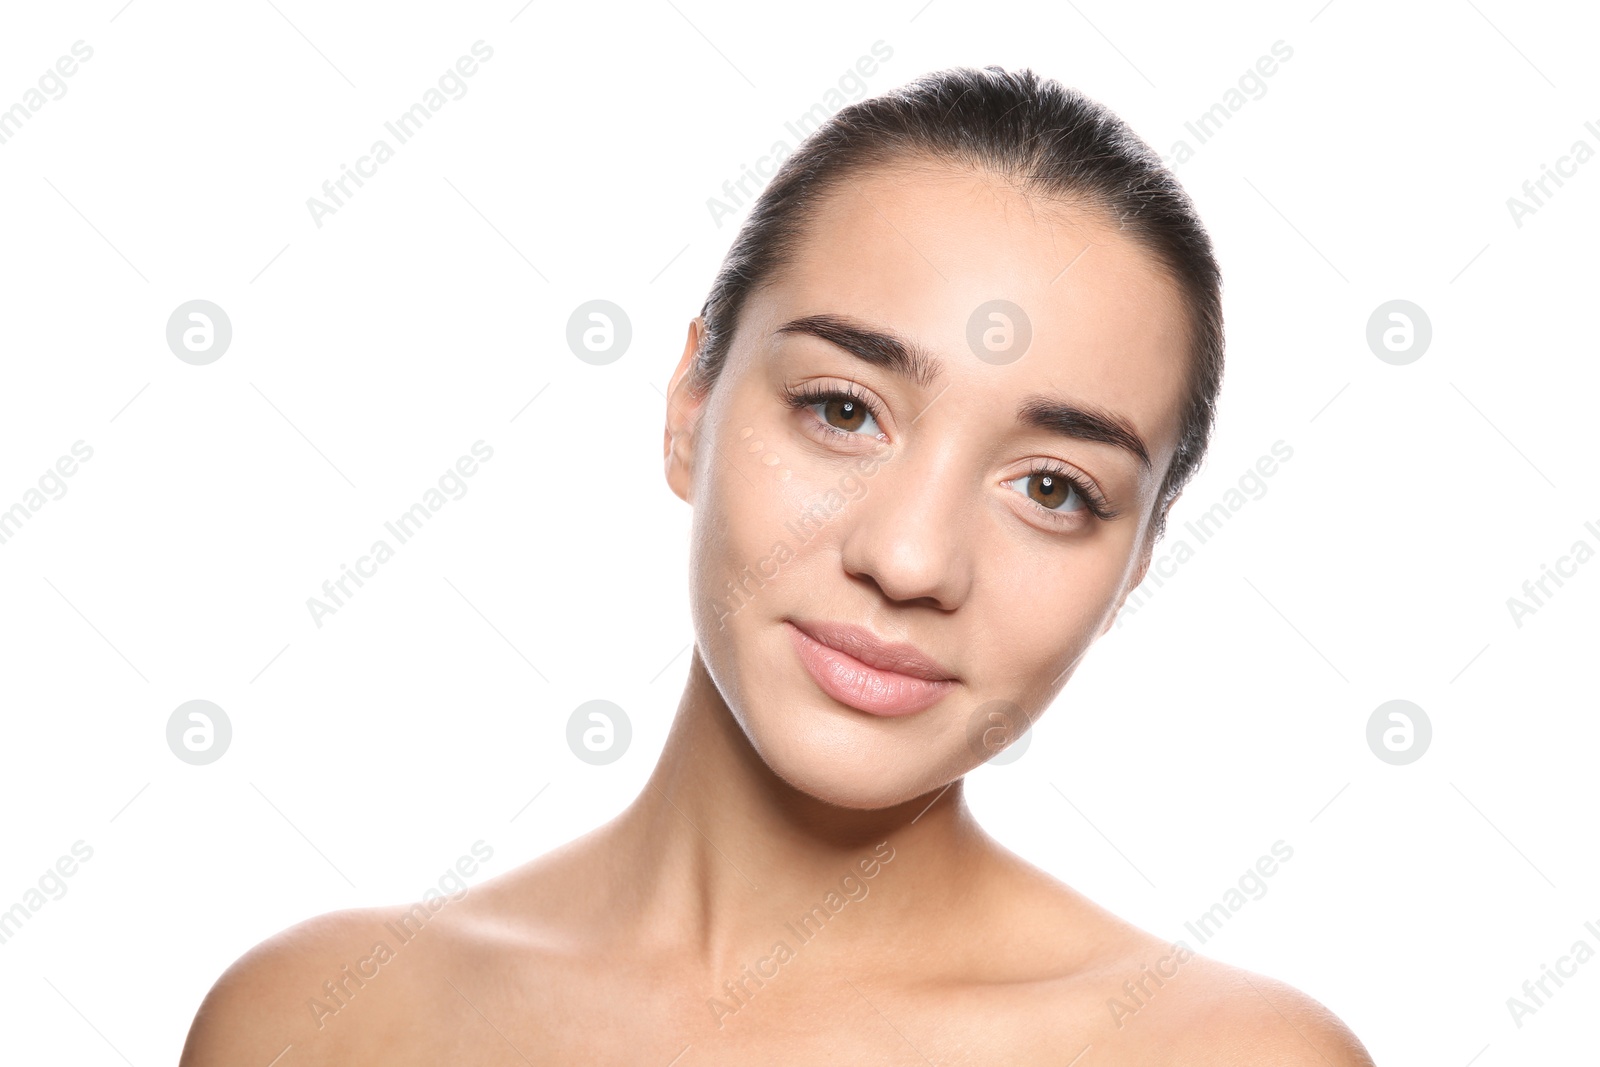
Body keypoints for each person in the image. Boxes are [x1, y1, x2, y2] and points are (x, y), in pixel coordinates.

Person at [180, 66, 1375, 1064]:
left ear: (1136, 564)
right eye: (843, 410)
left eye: (1054, 488)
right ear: (687, 403)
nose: (908, 559)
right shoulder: (314, 1020)